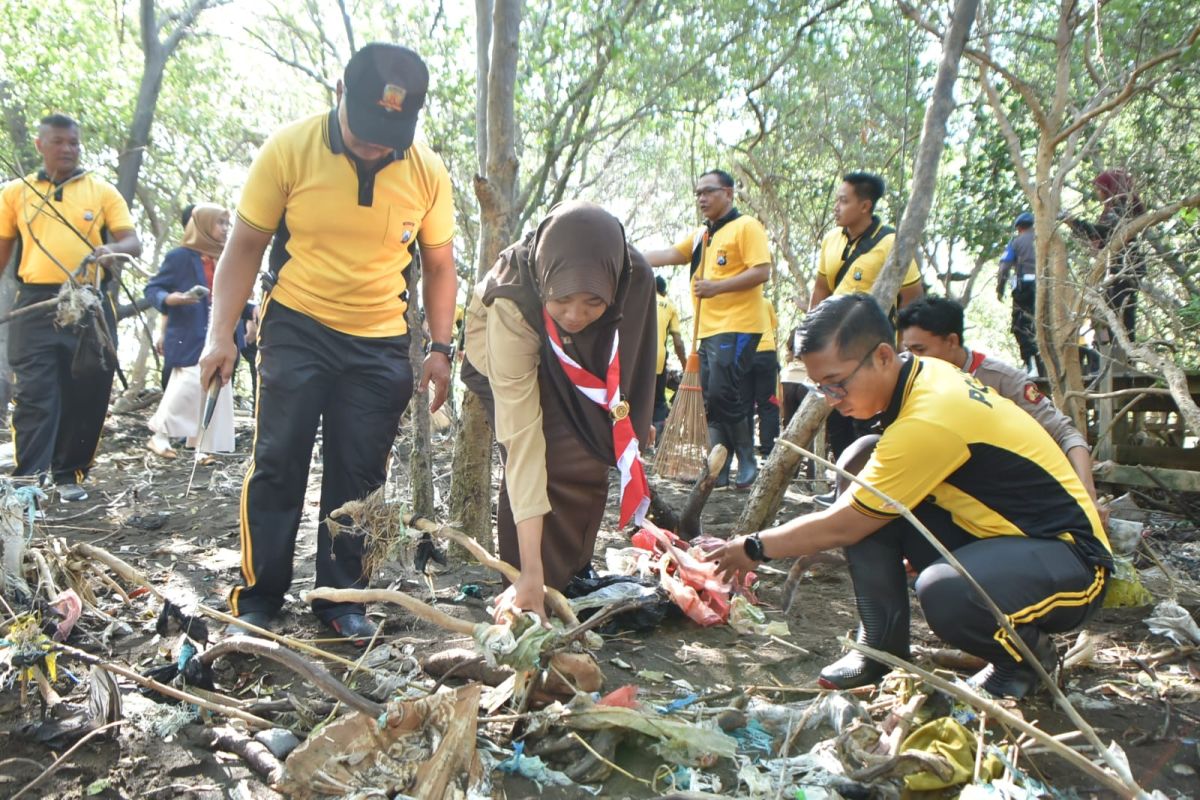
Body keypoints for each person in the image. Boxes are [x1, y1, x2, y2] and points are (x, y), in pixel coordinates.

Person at [706, 294, 1111, 699]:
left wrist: (755, 547)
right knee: (861, 460)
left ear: (883, 356)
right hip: (999, 535)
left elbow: (844, 524)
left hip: (1073, 559)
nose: (832, 399)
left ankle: (1026, 662)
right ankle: (881, 647)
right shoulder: (922, 373)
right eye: (821, 387)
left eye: (837, 384)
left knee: (948, 593)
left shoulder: (930, 416)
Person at [198, 43, 457, 644]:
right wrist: (220, 335)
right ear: (339, 95)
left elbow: (440, 266)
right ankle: (259, 595)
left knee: (361, 475)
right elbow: (244, 245)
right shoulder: (289, 149)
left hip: (379, 340)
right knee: (278, 460)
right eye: (367, 129)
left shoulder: (426, 170)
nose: (375, 145)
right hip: (297, 323)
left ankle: (341, 598)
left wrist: (441, 347)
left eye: (389, 134)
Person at [462, 201, 655, 624]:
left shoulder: (633, 278)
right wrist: (530, 572)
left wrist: (630, 426)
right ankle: (526, 579)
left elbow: (634, 362)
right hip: (507, 352)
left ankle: (567, 572)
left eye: (593, 302)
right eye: (563, 299)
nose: (575, 315)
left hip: (576, 365)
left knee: (588, 453)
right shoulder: (513, 296)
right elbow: (523, 441)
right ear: (546, 284)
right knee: (546, 453)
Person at [0, 113, 143, 502]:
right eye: (59, 142)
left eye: (74, 143)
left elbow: (131, 243)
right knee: (34, 392)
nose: (67, 149)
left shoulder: (101, 191)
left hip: (88, 304)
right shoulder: (16, 191)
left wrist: (110, 250)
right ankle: (29, 479)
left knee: (88, 390)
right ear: (40, 145)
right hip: (34, 304)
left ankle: (68, 475)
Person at [896, 295, 1102, 517]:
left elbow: (1065, 434)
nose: (913, 359)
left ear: (952, 341)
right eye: (908, 350)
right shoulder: (904, 374)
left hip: (1004, 502)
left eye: (920, 350)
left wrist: (1088, 495)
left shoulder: (1002, 380)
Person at [644, 169, 772, 488]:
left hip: (739, 327)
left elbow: (762, 271)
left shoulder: (746, 227)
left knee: (723, 392)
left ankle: (746, 459)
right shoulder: (702, 234)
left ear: (728, 193)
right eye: (698, 192)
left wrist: (718, 287)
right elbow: (673, 254)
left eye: (709, 191)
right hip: (707, 331)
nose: (702, 198)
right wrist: (629, 255)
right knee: (713, 400)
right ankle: (718, 469)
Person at [808, 172, 924, 506]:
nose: (837, 207)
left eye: (844, 200)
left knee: (868, 420)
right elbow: (821, 289)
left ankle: (870, 490)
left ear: (865, 205)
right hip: (832, 353)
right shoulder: (831, 240)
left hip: (868, 354)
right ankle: (841, 487)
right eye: (837, 200)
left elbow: (912, 296)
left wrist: (905, 348)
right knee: (839, 418)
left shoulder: (892, 243)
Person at [144, 204, 249, 459]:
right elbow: (153, 289)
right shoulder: (180, 257)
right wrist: (171, 299)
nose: (225, 229)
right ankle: (159, 435)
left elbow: (235, 295)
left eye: (227, 223)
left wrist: (251, 312)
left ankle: (204, 447)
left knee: (216, 385)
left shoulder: (228, 257)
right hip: (190, 331)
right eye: (220, 223)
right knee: (189, 382)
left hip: (221, 332)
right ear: (202, 224)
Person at [1064, 169, 1146, 342]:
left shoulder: (1121, 206)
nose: (1098, 193)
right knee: (1115, 317)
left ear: (1109, 188)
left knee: (1118, 317)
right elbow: (1105, 237)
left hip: (1123, 268)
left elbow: (1104, 232)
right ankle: (1121, 358)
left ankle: (1123, 360)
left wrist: (1075, 223)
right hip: (1120, 268)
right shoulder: (1118, 207)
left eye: (1100, 189)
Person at [996, 211, 1042, 376]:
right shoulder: (1045, 239)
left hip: (1025, 289)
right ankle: (1047, 366)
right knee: (1045, 324)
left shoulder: (1016, 243)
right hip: (1047, 287)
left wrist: (1000, 288)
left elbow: (1004, 268)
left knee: (1021, 325)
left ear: (1019, 228)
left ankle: (1031, 365)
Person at [653, 275, 687, 438]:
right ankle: (657, 443)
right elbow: (678, 343)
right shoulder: (669, 306)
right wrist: (686, 366)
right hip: (657, 358)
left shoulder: (638, 298)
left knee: (632, 398)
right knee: (658, 401)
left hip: (634, 357)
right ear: (664, 291)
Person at [747, 299, 780, 455]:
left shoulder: (738, 302)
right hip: (766, 353)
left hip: (745, 352)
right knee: (768, 403)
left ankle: (745, 448)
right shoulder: (765, 302)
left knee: (744, 403)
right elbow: (773, 324)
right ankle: (769, 448)